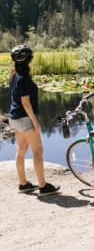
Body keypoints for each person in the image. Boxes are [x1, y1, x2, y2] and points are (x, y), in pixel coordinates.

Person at [9, 45, 60, 196]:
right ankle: (43, 186)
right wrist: (35, 122)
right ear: (27, 60)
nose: (32, 59)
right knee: (38, 151)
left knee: (21, 150)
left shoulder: (14, 74)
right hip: (25, 119)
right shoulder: (23, 78)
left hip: (15, 117)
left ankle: (23, 183)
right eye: (31, 57)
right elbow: (25, 102)